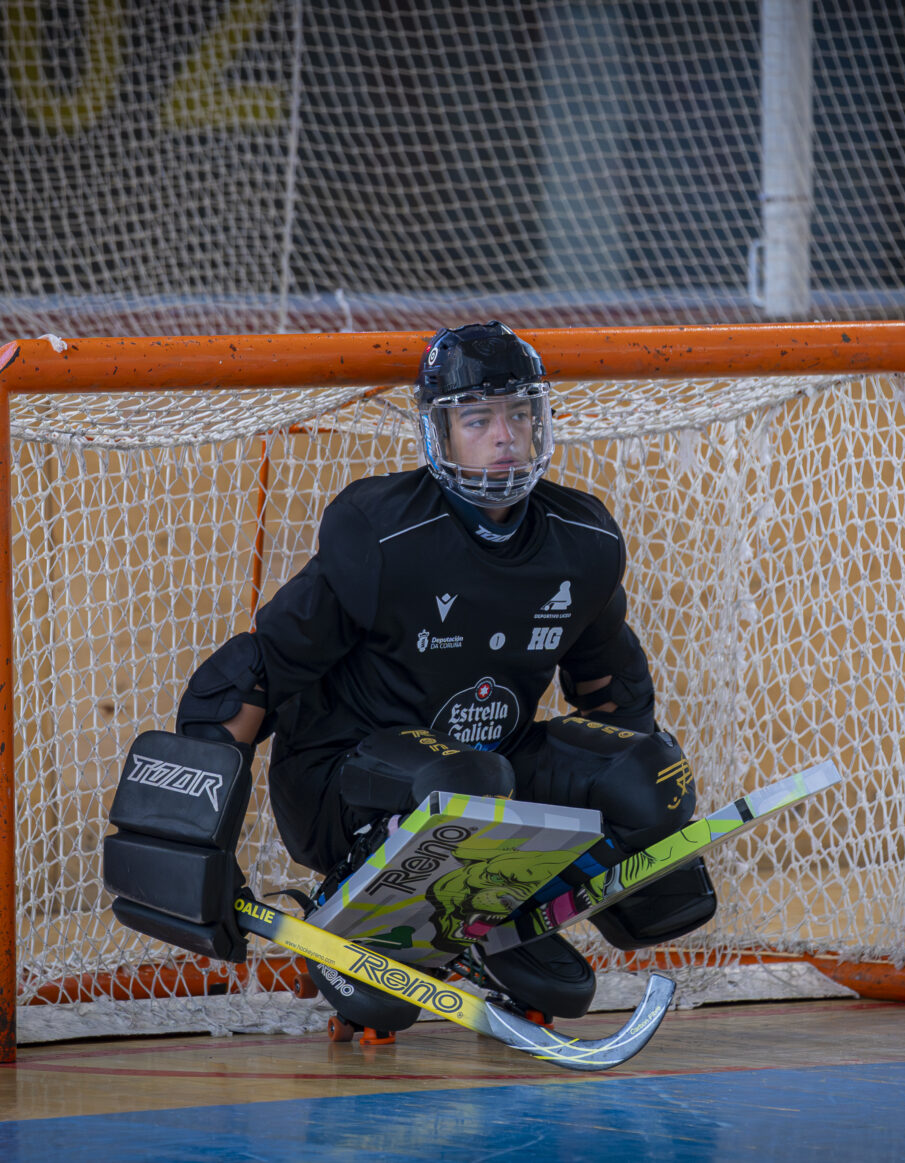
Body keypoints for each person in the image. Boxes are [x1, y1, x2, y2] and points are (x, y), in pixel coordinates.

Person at [176, 321, 715, 1025]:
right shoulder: (382, 533)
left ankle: (502, 913)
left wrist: (634, 825)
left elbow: (614, 697)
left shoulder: (581, 540)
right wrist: (198, 845)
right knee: (469, 782)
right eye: (479, 418)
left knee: (649, 772)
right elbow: (250, 676)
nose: (505, 437)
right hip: (340, 779)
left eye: (520, 415)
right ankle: (356, 910)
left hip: (487, 771)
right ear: (440, 432)